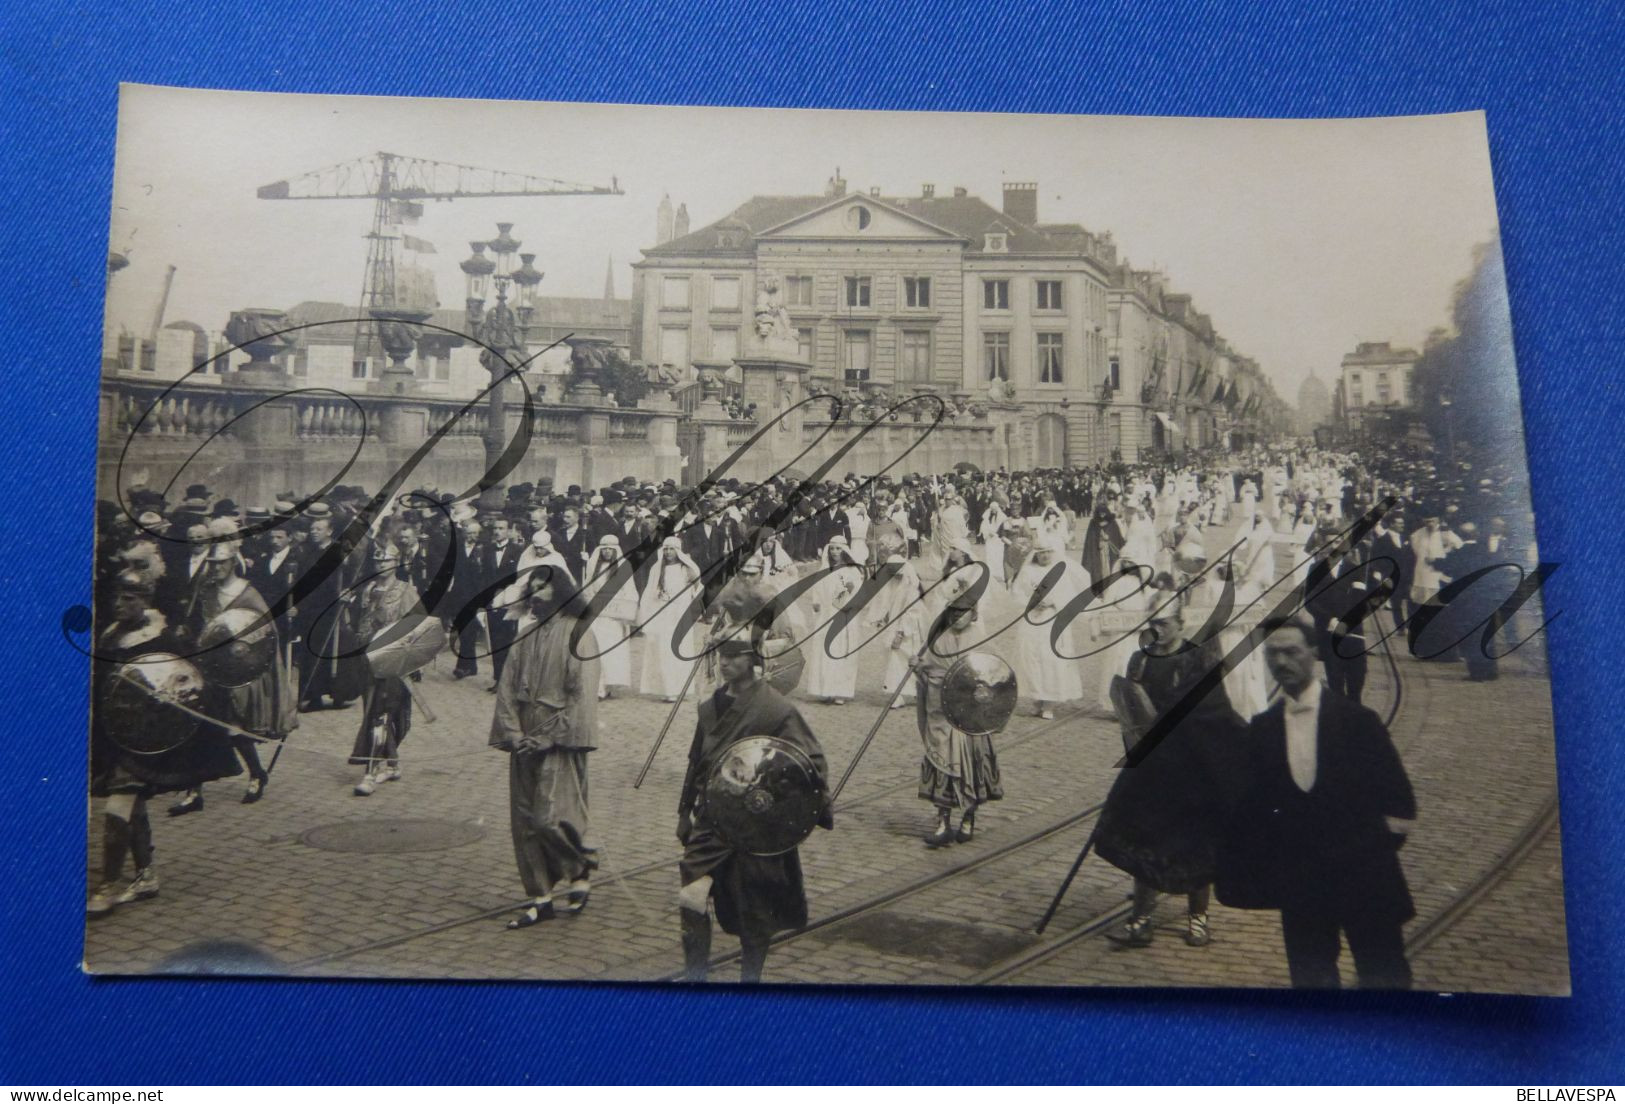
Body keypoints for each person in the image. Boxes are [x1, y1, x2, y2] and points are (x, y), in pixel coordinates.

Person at [1218, 615, 1417, 989]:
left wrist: (1368, 855)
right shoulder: (1263, 728)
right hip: (1302, 886)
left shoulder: (1359, 722)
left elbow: (1400, 805)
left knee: (1384, 978)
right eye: (1273, 654)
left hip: (1366, 880)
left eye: (1291, 652)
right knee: (1311, 982)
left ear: (1313, 653)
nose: (1282, 662)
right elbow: (1254, 808)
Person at [676, 636, 832, 983]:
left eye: (733, 656)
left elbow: (811, 762)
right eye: (720, 656)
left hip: (756, 825)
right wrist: (683, 810)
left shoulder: (775, 709)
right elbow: (696, 761)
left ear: (752, 660)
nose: (724, 663)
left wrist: (775, 788)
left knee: (755, 910)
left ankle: (751, 980)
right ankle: (694, 977)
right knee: (691, 894)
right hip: (712, 819)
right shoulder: (710, 706)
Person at [87, 572, 242, 915]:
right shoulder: (112, 634)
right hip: (115, 735)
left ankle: (108, 886)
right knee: (134, 806)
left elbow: (190, 683)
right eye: (118, 596)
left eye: (130, 598)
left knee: (118, 807)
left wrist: (168, 697)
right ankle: (145, 876)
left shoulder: (163, 638)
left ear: (146, 599)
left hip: (147, 741)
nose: (119, 604)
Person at [1098, 603, 1245, 948]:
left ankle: (1198, 919)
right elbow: (1131, 706)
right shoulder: (1141, 658)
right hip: (1152, 764)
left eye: (1164, 623)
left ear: (1181, 623)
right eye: (1153, 622)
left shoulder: (1198, 660)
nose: (1157, 629)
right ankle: (1141, 919)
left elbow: (1214, 711)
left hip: (1194, 764)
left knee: (1197, 841)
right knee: (1142, 838)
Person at [490, 569, 602, 926]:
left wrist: (550, 737)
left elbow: (581, 693)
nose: (537, 595)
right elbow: (506, 688)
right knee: (524, 820)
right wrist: (512, 732)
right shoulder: (523, 635)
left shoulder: (578, 635)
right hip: (524, 736)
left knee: (550, 817)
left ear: (563, 592)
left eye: (545, 588)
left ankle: (579, 866)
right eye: (532, 589)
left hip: (558, 739)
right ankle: (540, 897)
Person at [911, 593, 1003, 847]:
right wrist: (918, 667)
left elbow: (996, 672)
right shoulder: (938, 640)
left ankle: (968, 817)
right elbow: (929, 671)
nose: (957, 616)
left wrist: (981, 688)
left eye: (963, 612)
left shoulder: (982, 638)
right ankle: (942, 823)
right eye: (953, 612)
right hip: (942, 714)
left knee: (971, 767)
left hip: (970, 718)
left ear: (973, 614)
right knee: (941, 763)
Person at [348, 543, 423, 796]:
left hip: (393, 663)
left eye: (387, 561)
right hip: (367, 660)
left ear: (396, 563)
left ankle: (370, 772)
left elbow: (418, 627)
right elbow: (360, 624)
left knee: (383, 715)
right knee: (372, 712)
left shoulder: (405, 591)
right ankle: (391, 763)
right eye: (378, 561)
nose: (381, 565)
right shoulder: (367, 589)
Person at [1009, 541, 1087, 719]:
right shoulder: (1028, 571)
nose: (1044, 556)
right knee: (1031, 657)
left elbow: (1070, 596)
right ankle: (1036, 699)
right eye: (1041, 552)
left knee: (1050, 657)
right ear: (1035, 554)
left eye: (1048, 552)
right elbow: (1017, 593)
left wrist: (1054, 602)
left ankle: (1049, 703)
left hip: (1053, 618)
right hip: (1032, 618)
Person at [638, 537, 704, 702]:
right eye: (666, 549)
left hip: (680, 615)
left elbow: (698, 590)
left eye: (672, 549)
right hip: (662, 615)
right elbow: (649, 592)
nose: (668, 552)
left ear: (678, 551)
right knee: (663, 651)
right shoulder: (656, 569)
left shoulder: (687, 568)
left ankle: (680, 688)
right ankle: (667, 690)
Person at [801, 538, 863, 705]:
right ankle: (826, 689)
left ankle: (840, 691)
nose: (834, 552)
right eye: (832, 549)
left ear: (843, 550)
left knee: (840, 651)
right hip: (826, 616)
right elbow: (818, 589)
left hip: (843, 616)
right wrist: (816, 601)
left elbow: (857, 591)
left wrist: (849, 590)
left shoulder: (852, 570)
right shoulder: (824, 570)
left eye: (837, 548)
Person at [581, 533, 638, 699]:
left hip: (613, 618)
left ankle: (608, 683)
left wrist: (622, 608)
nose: (606, 551)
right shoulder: (593, 568)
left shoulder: (623, 567)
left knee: (610, 651)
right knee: (595, 649)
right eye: (603, 548)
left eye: (610, 549)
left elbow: (630, 592)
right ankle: (597, 686)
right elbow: (587, 589)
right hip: (597, 616)